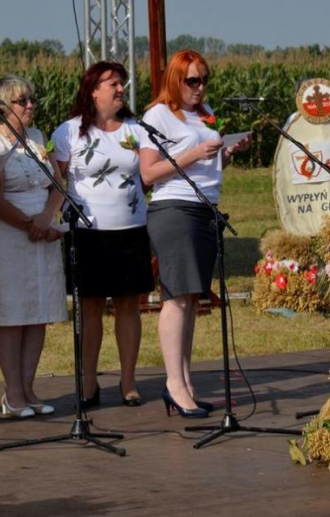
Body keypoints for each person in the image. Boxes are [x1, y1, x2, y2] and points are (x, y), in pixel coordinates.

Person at [139, 50, 249, 418]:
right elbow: (149, 174)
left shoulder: (205, 113)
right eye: (192, 81)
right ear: (175, 80)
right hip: (175, 208)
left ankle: (185, 382)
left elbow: (209, 167)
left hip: (205, 206)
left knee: (191, 299)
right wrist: (195, 152)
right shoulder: (158, 115)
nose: (200, 88)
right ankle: (173, 383)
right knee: (177, 297)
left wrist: (228, 152)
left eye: (204, 80)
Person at [51, 62, 154, 408]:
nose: (121, 88)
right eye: (113, 83)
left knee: (128, 305)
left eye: (122, 83)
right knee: (90, 306)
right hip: (88, 232)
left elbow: (151, 174)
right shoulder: (68, 133)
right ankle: (89, 381)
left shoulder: (136, 131)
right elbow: (54, 181)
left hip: (131, 228)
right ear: (93, 90)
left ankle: (128, 381)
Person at [0, 75, 67, 418]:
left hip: (43, 232)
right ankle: (12, 393)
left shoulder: (37, 138)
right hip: (9, 235)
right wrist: (28, 224)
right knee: (12, 315)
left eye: (32, 99)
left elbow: (58, 184)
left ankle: (29, 388)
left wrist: (48, 216)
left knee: (37, 314)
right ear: (1, 107)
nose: (31, 105)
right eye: (22, 101)